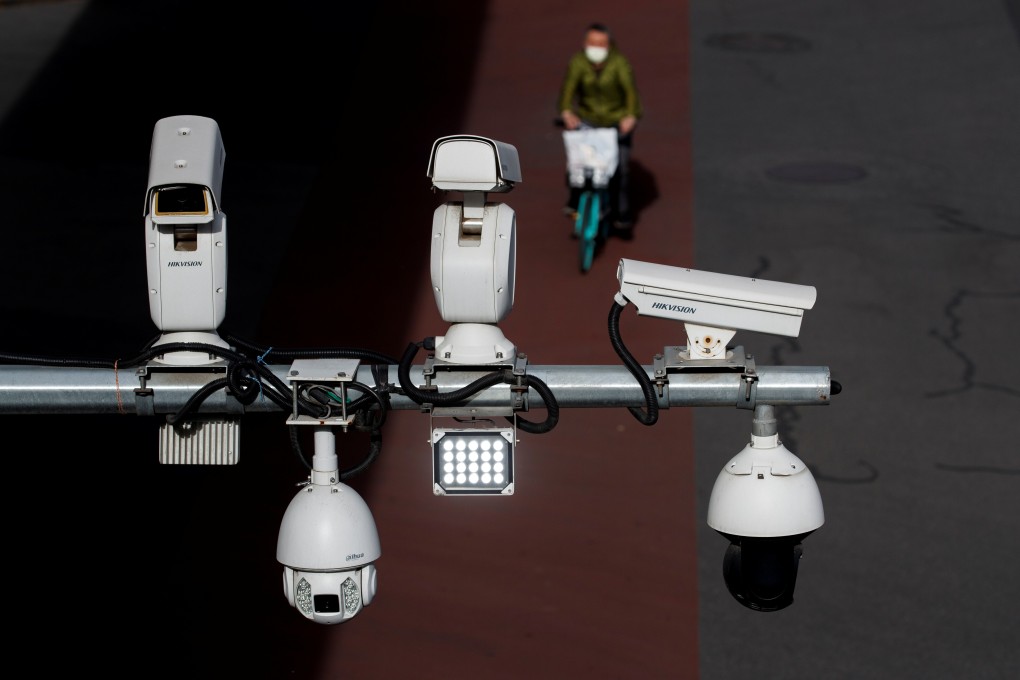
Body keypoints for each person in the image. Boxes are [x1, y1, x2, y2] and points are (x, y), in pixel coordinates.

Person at [557, 22, 643, 232]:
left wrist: (630, 116)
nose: (596, 47)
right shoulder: (578, 62)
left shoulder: (619, 63)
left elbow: (631, 93)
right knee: (577, 165)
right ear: (585, 43)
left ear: (609, 44)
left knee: (620, 170)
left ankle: (621, 214)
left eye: (601, 43)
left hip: (615, 123)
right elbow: (568, 89)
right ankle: (575, 200)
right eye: (592, 42)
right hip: (588, 121)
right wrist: (566, 111)